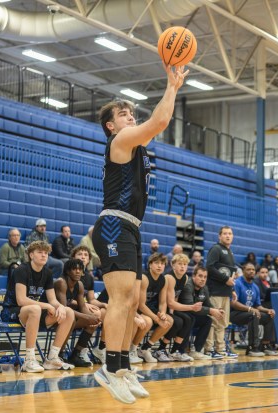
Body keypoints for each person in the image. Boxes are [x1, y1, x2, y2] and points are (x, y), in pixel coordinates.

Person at [90, 63, 188, 404]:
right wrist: (172, 86)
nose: (130, 116)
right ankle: (109, 368)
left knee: (131, 300)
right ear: (110, 125)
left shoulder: (135, 146)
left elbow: (155, 125)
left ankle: (122, 364)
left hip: (130, 226)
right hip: (115, 223)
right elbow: (159, 122)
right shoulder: (120, 140)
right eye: (123, 113)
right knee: (120, 300)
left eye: (132, 112)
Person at [0, 241, 75, 372]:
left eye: (46, 253)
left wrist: (61, 307)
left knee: (69, 312)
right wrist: (46, 305)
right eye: (40, 252)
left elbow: (52, 300)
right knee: (35, 309)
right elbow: (21, 300)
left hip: (33, 313)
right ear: (31, 255)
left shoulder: (47, 273)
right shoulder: (21, 270)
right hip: (11, 311)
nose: (43, 255)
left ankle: (52, 358)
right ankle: (29, 360)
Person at [52, 258, 102, 367]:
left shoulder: (79, 285)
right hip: (52, 315)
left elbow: (82, 307)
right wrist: (88, 317)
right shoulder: (61, 282)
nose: (78, 271)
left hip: (66, 316)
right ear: (67, 271)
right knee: (72, 320)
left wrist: (92, 318)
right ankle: (59, 354)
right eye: (74, 269)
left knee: (92, 323)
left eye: (80, 269)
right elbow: (64, 308)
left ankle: (75, 354)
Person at [205, 226, 238, 359]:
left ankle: (221, 349)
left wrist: (232, 289)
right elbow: (210, 267)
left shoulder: (230, 252)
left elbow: (230, 272)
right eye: (225, 233)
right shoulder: (216, 249)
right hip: (215, 291)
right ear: (219, 236)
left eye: (230, 233)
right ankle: (209, 349)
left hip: (225, 292)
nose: (228, 236)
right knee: (214, 321)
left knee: (223, 322)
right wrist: (226, 280)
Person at [230, 263, 278, 357]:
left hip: (250, 313)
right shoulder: (237, 283)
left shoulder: (255, 287)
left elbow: (257, 305)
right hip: (235, 313)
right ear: (243, 270)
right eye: (248, 269)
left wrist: (267, 310)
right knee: (253, 314)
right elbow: (233, 303)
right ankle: (252, 347)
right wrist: (250, 309)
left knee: (269, 316)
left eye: (253, 269)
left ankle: (265, 344)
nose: (251, 271)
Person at [178, 266, 224, 360]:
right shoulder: (188, 286)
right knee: (190, 318)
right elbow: (190, 306)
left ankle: (196, 351)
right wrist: (211, 311)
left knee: (207, 320)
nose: (203, 279)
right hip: (182, 314)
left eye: (205, 277)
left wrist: (216, 310)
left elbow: (208, 304)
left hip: (193, 315)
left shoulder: (204, 288)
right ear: (194, 276)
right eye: (200, 276)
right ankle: (181, 350)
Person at [162, 253, 200, 361]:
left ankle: (175, 351)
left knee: (190, 318)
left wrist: (174, 310)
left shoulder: (185, 277)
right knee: (178, 321)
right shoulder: (169, 277)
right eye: (179, 264)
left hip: (170, 306)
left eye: (185, 264)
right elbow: (170, 302)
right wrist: (191, 307)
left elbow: (176, 297)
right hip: (160, 307)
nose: (183, 266)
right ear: (173, 265)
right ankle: (161, 348)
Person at [137, 253, 174, 363]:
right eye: (156, 263)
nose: (159, 266)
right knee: (148, 321)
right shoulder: (144, 277)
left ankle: (145, 348)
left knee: (169, 320)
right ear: (150, 265)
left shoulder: (163, 280)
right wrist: (156, 318)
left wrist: (162, 313)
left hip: (150, 308)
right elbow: (141, 305)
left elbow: (163, 302)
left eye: (162, 264)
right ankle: (132, 349)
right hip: (138, 308)